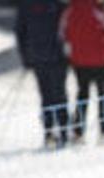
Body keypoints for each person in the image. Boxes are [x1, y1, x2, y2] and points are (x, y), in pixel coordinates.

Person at [60, 0, 104, 144]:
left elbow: (63, 35)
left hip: (80, 62)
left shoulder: (70, 10)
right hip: (100, 61)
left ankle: (78, 132)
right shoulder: (98, 10)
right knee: (103, 95)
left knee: (82, 96)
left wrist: (70, 56)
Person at [14, 0, 69, 149]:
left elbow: (20, 33)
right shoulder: (58, 6)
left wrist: (26, 58)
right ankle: (62, 132)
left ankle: (50, 132)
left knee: (47, 97)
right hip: (55, 58)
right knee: (59, 95)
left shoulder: (26, 6)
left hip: (40, 58)